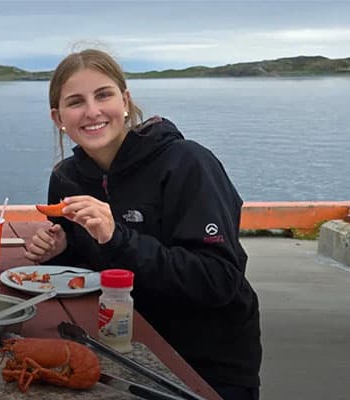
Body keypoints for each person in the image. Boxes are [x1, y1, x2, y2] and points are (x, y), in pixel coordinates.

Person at [24, 49, 261, 400]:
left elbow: (219, 280)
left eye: (103, 95)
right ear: (58, 117)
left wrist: (117, 236)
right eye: (76, 102)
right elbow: (86, 274)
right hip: (114, 350)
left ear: (125, 101)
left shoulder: (186, 163)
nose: (92, 111)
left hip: (205, 363)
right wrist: (59, 251)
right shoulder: (67, 178)